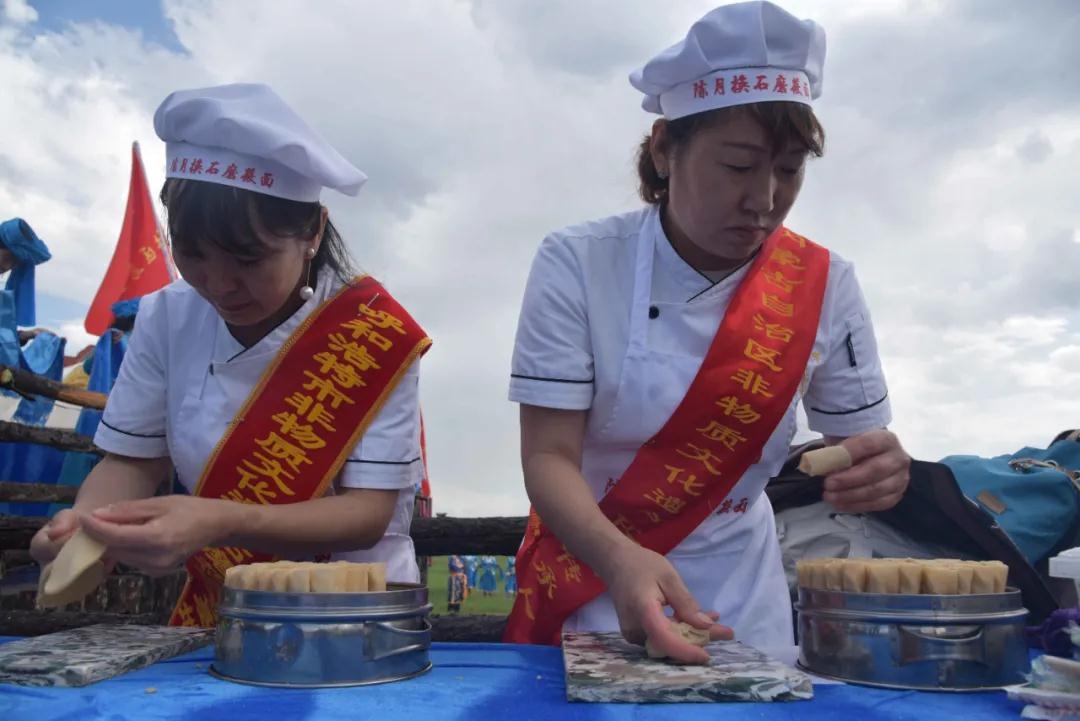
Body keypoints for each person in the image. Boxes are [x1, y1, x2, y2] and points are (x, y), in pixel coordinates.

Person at [503, 1, 910, 663]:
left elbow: (859, 446)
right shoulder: (580, 262)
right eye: (739, 166)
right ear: (665, 148)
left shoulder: (824, 283)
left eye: (789, 169)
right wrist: (620, 558)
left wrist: (882, 470)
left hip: (742, 600)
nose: (764, 200)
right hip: (593, 579)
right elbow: (548, 455)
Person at [29, 83, 432, 627]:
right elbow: (131, 461)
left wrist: (220, 521)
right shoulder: (167, 314)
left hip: (352, 617)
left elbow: (367, 513)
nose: (218, 285)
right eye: (192, 254)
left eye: (248, 259)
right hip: (229, 617)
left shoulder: (373, 333)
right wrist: (85, 526)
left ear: (312, 231)